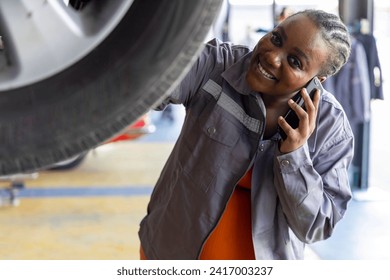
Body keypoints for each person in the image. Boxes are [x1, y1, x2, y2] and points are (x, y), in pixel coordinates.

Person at [138, 9, 354, 260]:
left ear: (318, 79)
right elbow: (147, 82)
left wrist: (294, 157)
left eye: (294, 61)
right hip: (171, 251)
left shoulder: (331, 130)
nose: (272, 57)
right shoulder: (216, 66)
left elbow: (317, 226)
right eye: (276, 39)